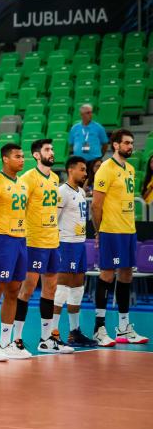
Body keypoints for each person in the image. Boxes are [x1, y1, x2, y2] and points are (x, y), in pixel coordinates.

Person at [13, 139, 74, 354]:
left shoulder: (55, 178)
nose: (52, 152)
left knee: (50, 288)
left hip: (51, 241)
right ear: (37, 155)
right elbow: (19, 208)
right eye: (47, 149)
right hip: (33, 241)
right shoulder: (28, 179)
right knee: (27, 288)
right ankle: (16, 339)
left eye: (52, 149)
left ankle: (46, 339)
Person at [91, 129, 149, 345]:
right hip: (111, 231)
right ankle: (99, 328)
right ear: (115, 145)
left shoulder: (131, 169)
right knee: (107, 276)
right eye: (126, 143)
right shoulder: (106, 169)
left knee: (126, 276)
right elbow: (96, 204)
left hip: (129, 230)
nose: (130, 146)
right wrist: (99, 231)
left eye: (132, 143)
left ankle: (124, 328)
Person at [0, 143, 31, 361]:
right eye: (17, 156)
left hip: (20, 239)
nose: (22, 160)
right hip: (1, 240)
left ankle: (6, 341)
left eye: (22, 156)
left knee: (14, 289)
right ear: (5, 159)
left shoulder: (22, 183)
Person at [55, 156, 98, 347]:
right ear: (71, 170)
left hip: (79, 244)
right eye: (82, 169)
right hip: (66, 244)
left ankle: (74, 332)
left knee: (78, 287)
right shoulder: (62, 192)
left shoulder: (81, 191)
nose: (86, 173)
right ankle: (53, 332)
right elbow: (53, 219)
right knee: (61, 288)